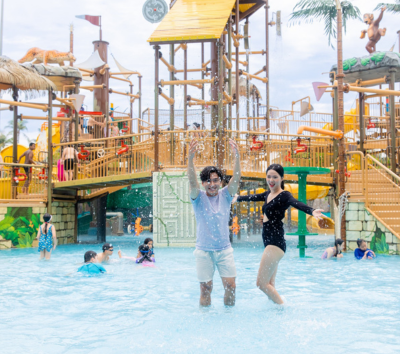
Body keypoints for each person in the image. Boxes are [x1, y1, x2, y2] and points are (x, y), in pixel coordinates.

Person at [233, 164, 324, 305]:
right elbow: (253, 197)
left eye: (275, 177)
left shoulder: (284, 195)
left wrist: (311, 211)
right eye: (269, 176)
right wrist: (238, 198)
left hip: (275, 243)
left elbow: (297, 203)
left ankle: (282, 307)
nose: (271, 180)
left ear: (282, 178)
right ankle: (275, 311)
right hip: (270, 243)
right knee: (269, 283)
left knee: (261, 283)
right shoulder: (267, 194)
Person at [188, 138, 241, 307]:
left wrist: (237, 157)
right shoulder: (198, 197)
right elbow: (191, 181)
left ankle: (229, 317)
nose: (212, 184)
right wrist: (190, 159)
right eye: (208, 181)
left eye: (216, 180)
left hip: (224, 250)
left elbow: (237, 179)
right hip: (204, 251)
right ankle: (205, 319)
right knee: (206, 288)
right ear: (203, 183)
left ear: (220, 181)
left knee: (231, 286)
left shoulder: (226, 195)